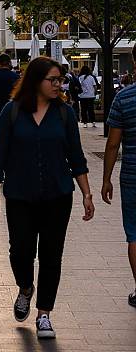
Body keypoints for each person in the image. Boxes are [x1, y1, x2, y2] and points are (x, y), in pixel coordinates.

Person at [0, 57, 94, 340]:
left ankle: (44, 313)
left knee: (51, 255)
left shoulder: (65, 114)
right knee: (19, 251)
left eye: (60, 80)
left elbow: (77, 157)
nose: (59, 85)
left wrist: (86, 193)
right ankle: (25, 287)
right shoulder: (12, 112)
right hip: (20, 195)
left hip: (57, 196)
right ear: (36, 81)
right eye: (53, 80)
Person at [102, 44, 136, 308]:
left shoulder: (124, 98)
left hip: (131, 176)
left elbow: (113, 144)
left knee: (134, 235)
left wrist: (106, 179)